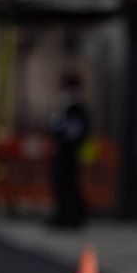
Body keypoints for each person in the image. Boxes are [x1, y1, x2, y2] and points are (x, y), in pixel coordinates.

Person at [49, 73, 90, 227]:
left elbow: (73, 133)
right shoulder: (67, 109)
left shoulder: (77, 110)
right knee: (62, 184)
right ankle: (64, 215)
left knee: (68, 184)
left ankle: (71, 217)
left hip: (70, 154)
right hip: (65, 153)